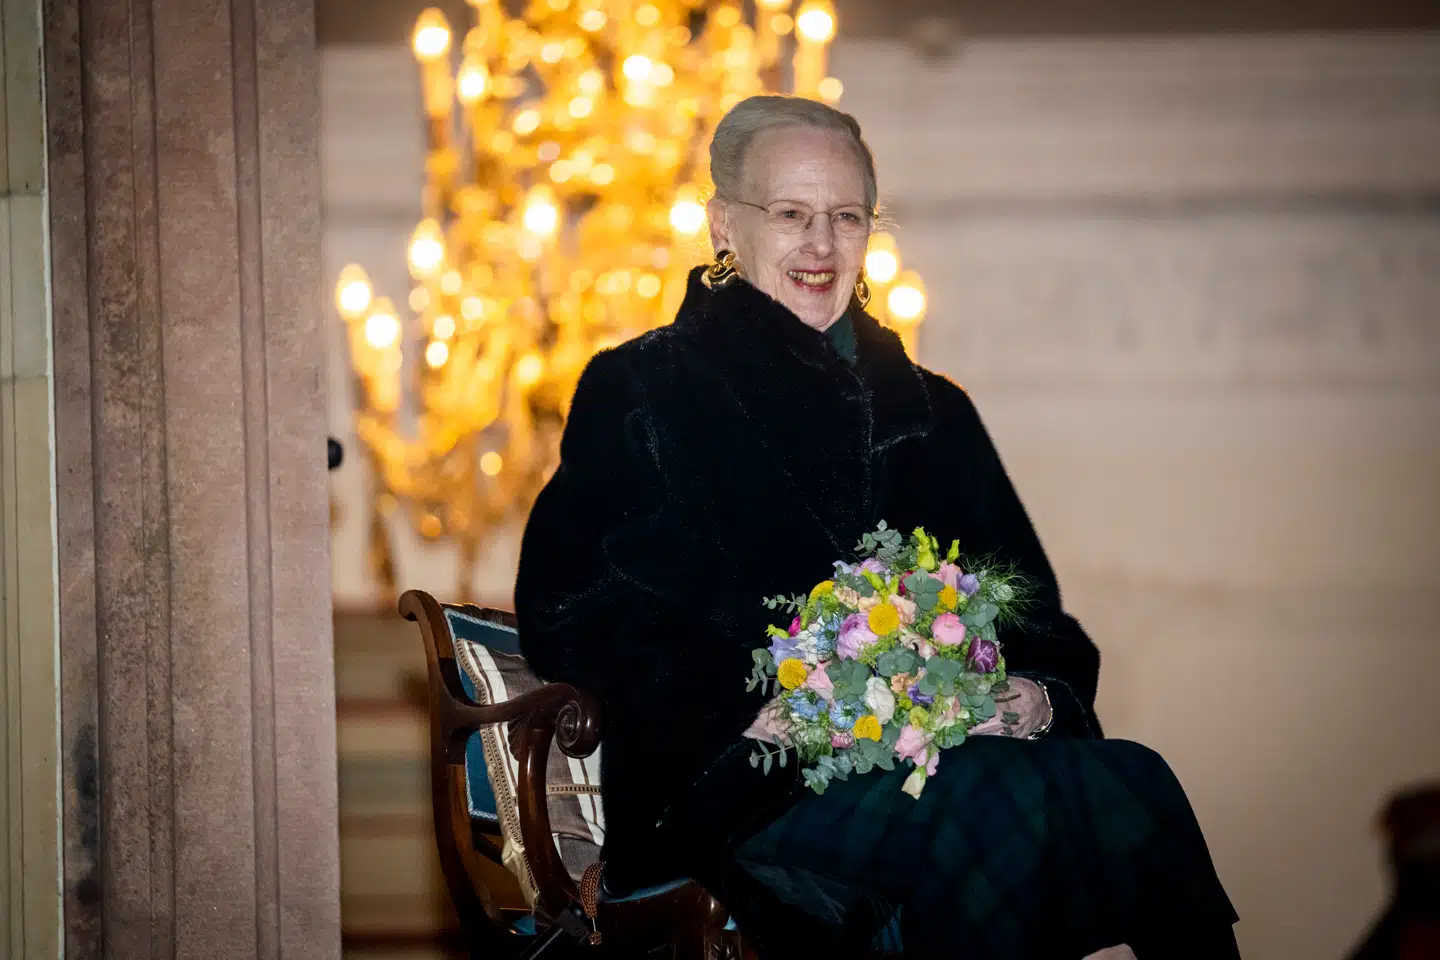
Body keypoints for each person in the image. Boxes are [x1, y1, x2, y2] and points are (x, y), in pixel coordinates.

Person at [514, 95, 1239, 958]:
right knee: (975, 810)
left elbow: (1037, 620)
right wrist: (756, 706)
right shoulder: (644, 389)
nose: (821, 245)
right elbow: (569, 611)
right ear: (723, 225)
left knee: (1133, 779)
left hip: (944, 765)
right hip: (741, 786)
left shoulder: (936, 412)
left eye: (846, 217)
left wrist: (1034, 698)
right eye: (790, 214)